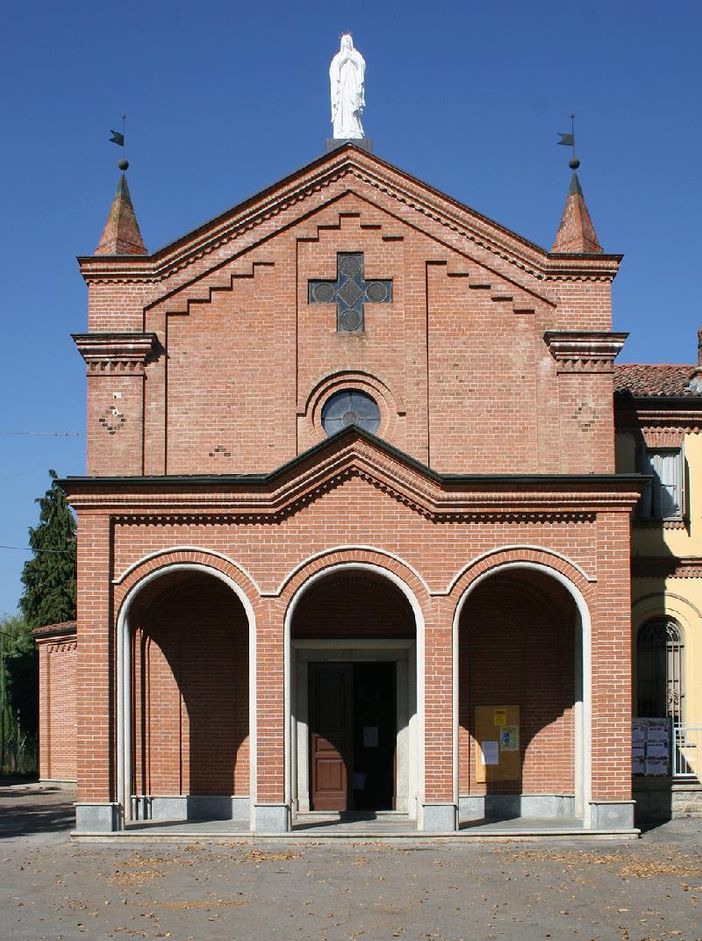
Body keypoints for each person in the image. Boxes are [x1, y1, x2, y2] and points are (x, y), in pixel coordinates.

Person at [330, 34, 365, 139]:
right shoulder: (338, 57)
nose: (347, 42)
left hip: (352, 83)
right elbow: (333, 70)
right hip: (342, 86)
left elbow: (362, 65)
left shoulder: (356, 55)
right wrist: (342, 60)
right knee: (343, 104)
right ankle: (342, 129)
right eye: (345, 40)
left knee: (352, 103)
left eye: (349, 40)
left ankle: (354, 128)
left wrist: (353, 59)